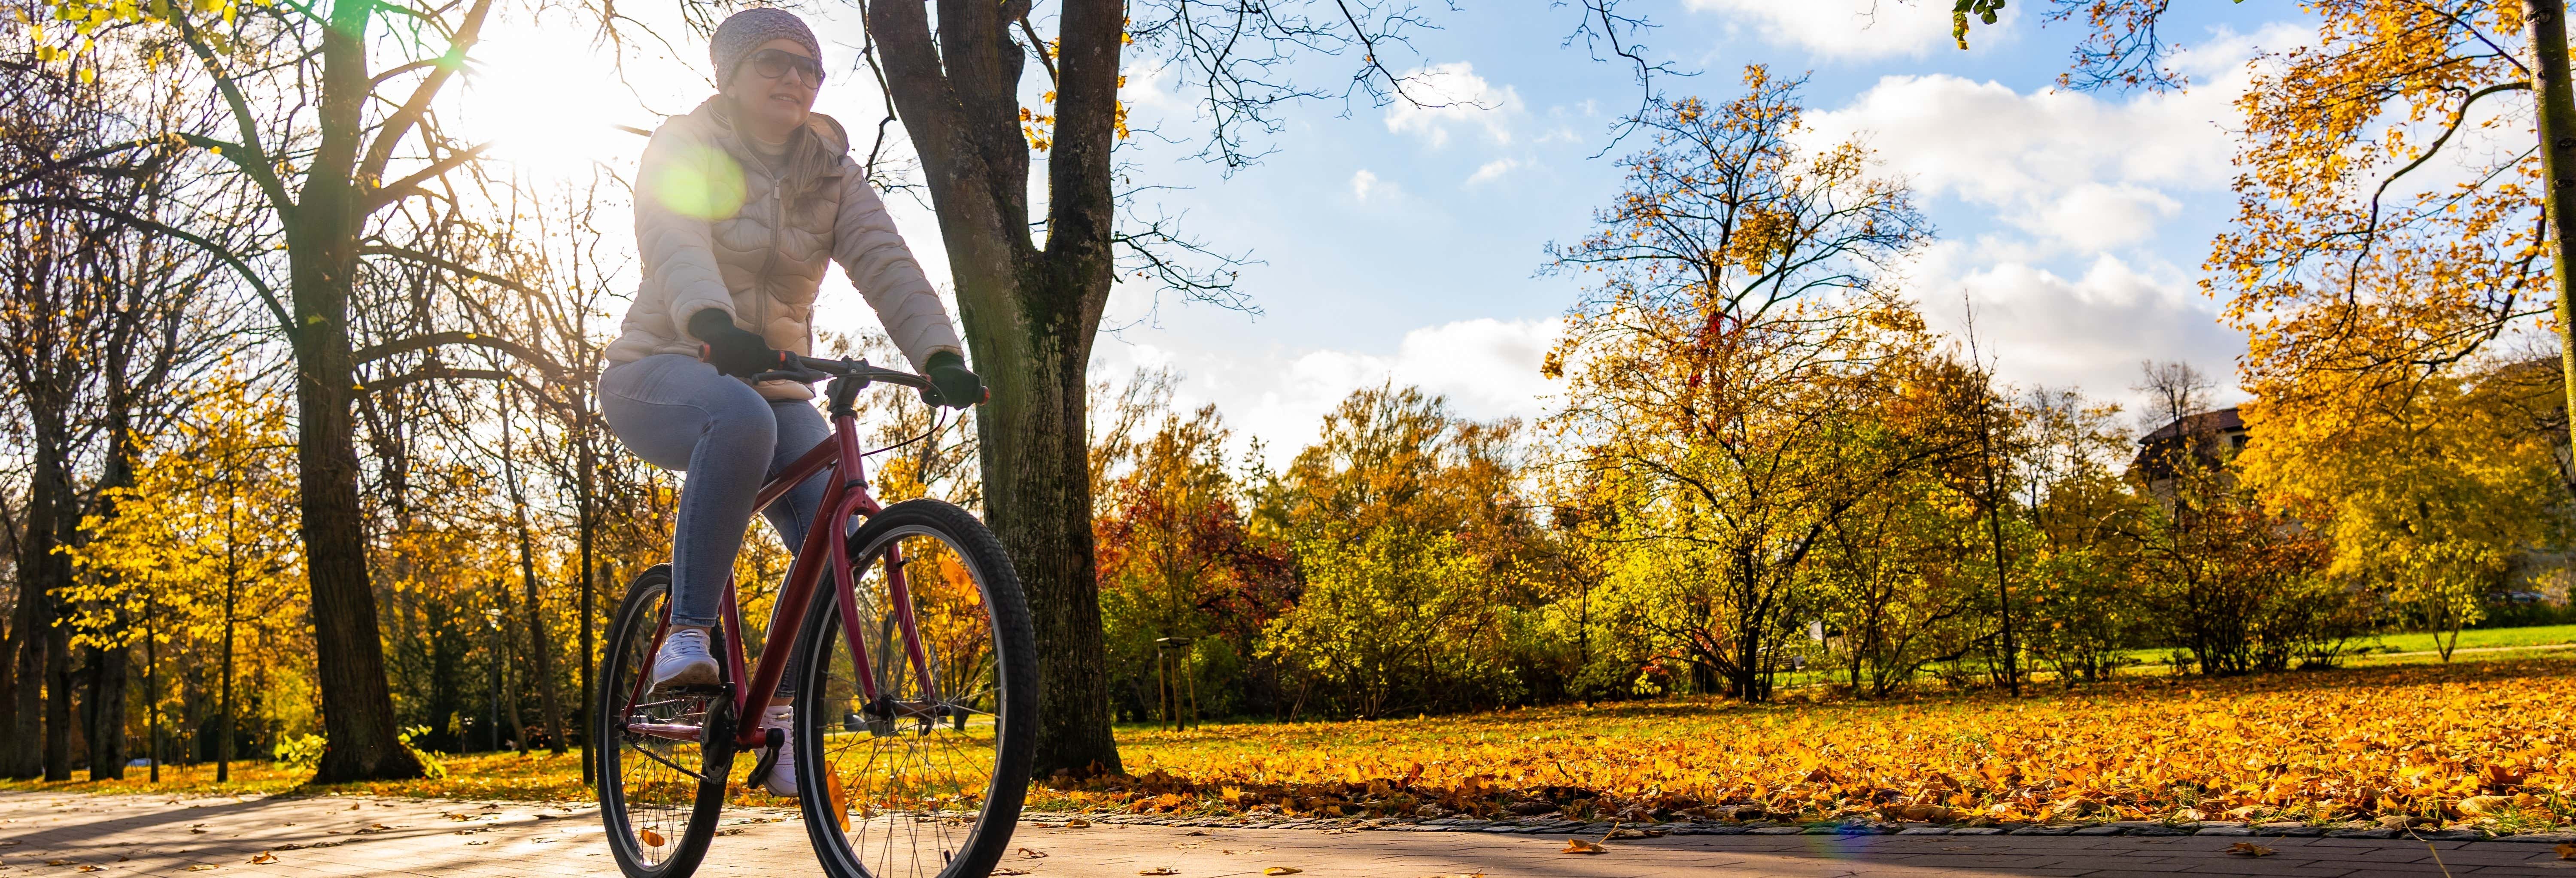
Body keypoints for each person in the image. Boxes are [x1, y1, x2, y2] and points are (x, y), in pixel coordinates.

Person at [596, 8, 981, 797]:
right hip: (662, 366)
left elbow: (887, 262)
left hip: (771, 377)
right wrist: (710, 322)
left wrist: (940, 354)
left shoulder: (831, 170)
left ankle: (772, 715)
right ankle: (687, 630)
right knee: (738, 417)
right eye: (775, 63)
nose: (796, 80)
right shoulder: (688, 144)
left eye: (810, 69)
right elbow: (674, 237)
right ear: (729, 76)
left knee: (829, 525)